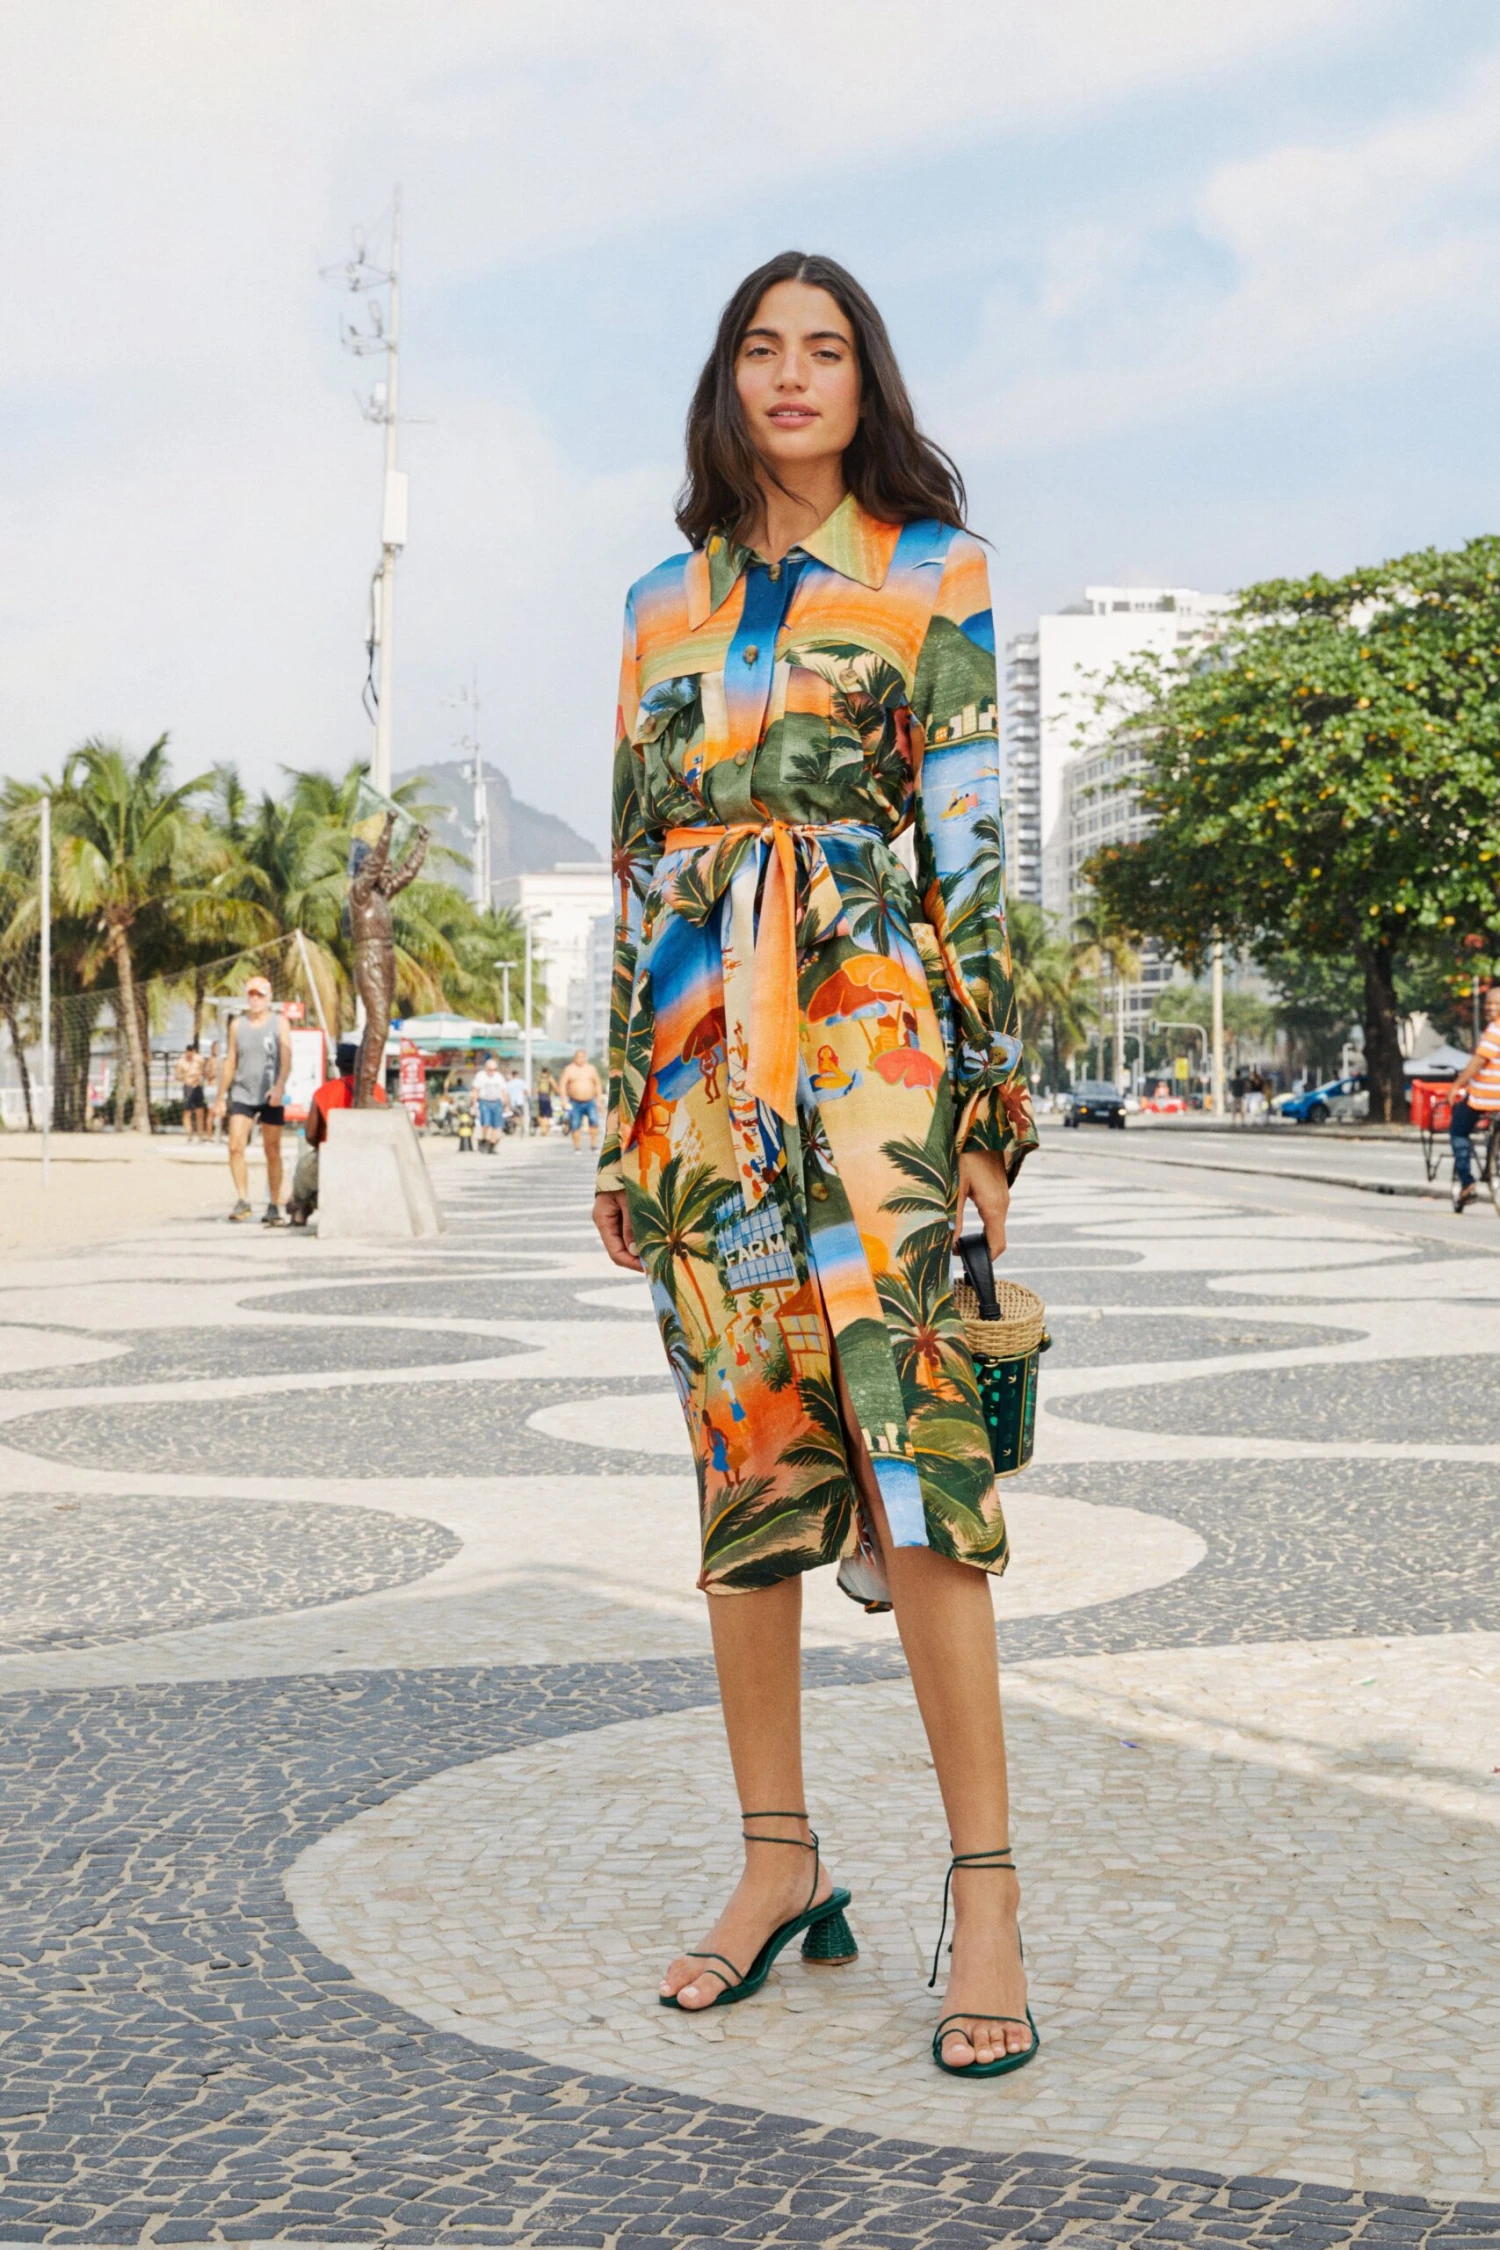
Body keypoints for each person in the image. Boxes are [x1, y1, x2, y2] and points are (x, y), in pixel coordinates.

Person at [591, 253, 1037, 2079]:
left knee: (921, 1466)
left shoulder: (933, 575)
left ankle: (987, 1890)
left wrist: (990, 1116)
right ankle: (778, 1859)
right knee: (750, 1472)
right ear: (728, 383)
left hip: (876, 1064)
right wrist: (624, 1115)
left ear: (867, 382)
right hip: (706, 1087)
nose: (792, 376)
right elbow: (638, 873)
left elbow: (974, 854)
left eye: (826, 349)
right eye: (762, 350)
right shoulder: (658, 607)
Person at [213, 978, 293, 1224]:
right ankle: (243, 1200)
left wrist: (279, 1086)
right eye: (252, 995)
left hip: (270, 1094)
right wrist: (220, 1097)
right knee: (235, 1146)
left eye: (260, 995)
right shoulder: (238, 1025)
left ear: (269, 998)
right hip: (242, 1092)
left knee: (272, 1149)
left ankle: (274, 1205)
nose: (256, 1000)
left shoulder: (279, 1023)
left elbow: (286, 1058)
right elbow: (231, 1061)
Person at [288, 1038, 386, 1225]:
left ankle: (300, 1210)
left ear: (338, 1064)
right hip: (370, 1157)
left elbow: (310, 1134)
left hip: (333, 1156)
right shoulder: (377, 1091)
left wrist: (321, 1146)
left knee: (304, 1168)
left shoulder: (324, 1092)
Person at [1448, 986, 1500, 1211]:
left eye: (1495, 1004)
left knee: (1458, 1131)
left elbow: (1478, 1062)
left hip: (1484, 1096)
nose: (1490, 1008)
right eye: (1488, 1003)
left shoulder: (1495, 1030)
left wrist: (1457, 1085)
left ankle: (1467, 1182)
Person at [561, 1049, 603, 1153]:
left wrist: (599, 1100)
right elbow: (563, 1085)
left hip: (590, 1101)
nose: (580, 1059)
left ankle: (594, 1146)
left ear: (585, 1058)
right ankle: (577, 1148)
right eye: (578, 1057)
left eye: (582, 1057)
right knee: (575, 1124)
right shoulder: (569, 1069)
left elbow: (597, 1083)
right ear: (574, 1058)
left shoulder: (591, 1069)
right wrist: (563, 1100)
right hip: (575, 1102)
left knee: (594, 1122)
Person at [472, 1055, 507, 1153]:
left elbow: (504, 1091)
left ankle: (492, 1145)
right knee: (486, 1123)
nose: (492, 1071)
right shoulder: (480, 1076)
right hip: (484, 1101)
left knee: (496, 1125)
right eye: (490, 1069)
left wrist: (506, 1104)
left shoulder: (499, 1077)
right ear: (486, 1068)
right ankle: (483, 1140)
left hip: (497, 1101)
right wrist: (475, 1105)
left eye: (494, 1069)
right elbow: (475, 1090)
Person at [176, 1043, 208, 1138]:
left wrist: (199, 1074)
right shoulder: (181, 1062)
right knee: (187, 1111)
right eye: (188, 1052)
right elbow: (177, 1075)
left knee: (200, 1111)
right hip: (188, 1086)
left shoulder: (199, 1059)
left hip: (197, 1086)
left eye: (191, 1052)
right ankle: (189, 1133)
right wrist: (185, 1077)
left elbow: (204, 1070)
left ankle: (200, 1134)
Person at [505, 1068, 530, 1136]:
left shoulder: (509, 1083)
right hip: (520, 1101)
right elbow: (526, 1091)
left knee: (514, 1115)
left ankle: (515, 1126)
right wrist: (527, 1097)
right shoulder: (521, 1082)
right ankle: (522, 1126)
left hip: (512, 1102)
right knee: (521, 1115)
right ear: (517, 1075)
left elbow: (506, 1093)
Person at [535, 1067, 557, 1136]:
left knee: (541, 1115)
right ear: (547, 1072)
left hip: (540, 1097)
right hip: (547, 1098)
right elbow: (555, 1086)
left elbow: (537, 1089)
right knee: (546, 1115)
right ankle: (545, 1130)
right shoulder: (549, 1078)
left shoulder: (539, 1078)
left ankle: (543, 1129)